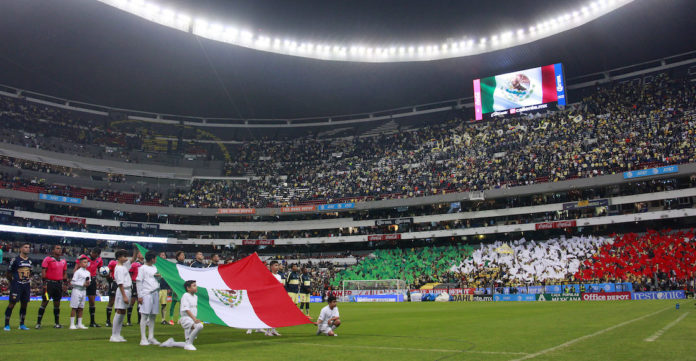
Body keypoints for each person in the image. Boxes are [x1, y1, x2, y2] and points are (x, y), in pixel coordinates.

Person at [160, 280, 203, 351]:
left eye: (196, 285)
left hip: (192, 319)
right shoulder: (185, 295)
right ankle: (189, 344)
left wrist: (195, 319)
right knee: (199, 326)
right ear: (188, 288)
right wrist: (195, 320)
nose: (196, 287)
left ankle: (171, 343)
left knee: (187, 341)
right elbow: (186, 309)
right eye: (194, 286)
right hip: (186, 319)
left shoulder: (195, 297)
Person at [36, 244, 67, 329]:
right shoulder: (48, 259)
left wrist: (65, 284)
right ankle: (38, 323)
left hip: (58, 284)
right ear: (53, 250)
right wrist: (44, 283)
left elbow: (64, 273)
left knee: (57, 303)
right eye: (57, 248)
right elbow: (43, 272)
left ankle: (57, 323)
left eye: (60, 248)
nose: (59, 250)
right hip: (49, 284)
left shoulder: (63, 261)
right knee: (45, 302)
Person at [4, 243, 32, 331]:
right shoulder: (15, 260)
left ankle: (22, 324)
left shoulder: (30, 261)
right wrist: (12, 282)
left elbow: (30, 272)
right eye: (26, 247)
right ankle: (6, 325)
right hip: (17, 285)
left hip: (26, 285)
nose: (28, 249)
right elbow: (8, 273)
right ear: (21, 249)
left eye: (28, 247)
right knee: (12, 303)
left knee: (24, 304)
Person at [136, 251, 160, 346]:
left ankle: (151, 337)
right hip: (146, 293)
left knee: (153, 316)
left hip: (155, 292)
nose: (156, 260)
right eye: (155, 258)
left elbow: (155, 279)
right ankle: (143, 338)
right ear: (152, 259)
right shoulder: (142, 268)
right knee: (144, 316)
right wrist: (140, 296)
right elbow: (139, 282)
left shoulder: (155, 268)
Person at [76, 248, 103, 328]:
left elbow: (100, 270)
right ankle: (78, 321)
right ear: (92, 252)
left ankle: (92, 321)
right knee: (80, 301)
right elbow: (77, 267)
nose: (96, 256)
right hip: (83, 280)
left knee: (92, 301)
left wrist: (104, 273)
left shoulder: (99, 260)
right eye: (95, 254)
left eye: (97, 255)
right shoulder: (84, 257)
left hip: (93, 280)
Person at [110, 249, 133, 342]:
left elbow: (133, 259)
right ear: (119, 257)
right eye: (124, 256)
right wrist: (124, 295)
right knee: (119, 311)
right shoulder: (119, 268)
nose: (126, 258)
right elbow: (120, 283)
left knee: (123, 312)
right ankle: (113, 335)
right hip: (122, 290)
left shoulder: (123, 266)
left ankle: (118, 334)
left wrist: (135, 250)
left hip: (127, 289)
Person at [69, 255, 91, 330]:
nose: (86, 264)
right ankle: (72, 324)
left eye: (87, 262)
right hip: (77, 290)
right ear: (80, 263)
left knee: (81, 307)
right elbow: (72, 282)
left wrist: (88, 283)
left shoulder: (88, 272)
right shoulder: (77, 272)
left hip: (84, 291)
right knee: (74, 307)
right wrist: (82, 284)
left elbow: (89, 281)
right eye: (84, 262)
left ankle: (79, 324)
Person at [168, 251, 186, 325]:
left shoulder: (185, 266)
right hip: (176, 287)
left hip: (183, 287)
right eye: (181, 255)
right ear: (177, 257)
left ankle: (179, 318)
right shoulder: (175, 266)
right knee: (173, 303)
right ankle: (171, 319)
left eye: (184, 255)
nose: (183, 256)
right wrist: (173, 287)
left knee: (182, 304)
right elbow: (173, 277)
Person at [127, 252, 144, 326]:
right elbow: (130, 273)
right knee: (132, 302)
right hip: (134, 284)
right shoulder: (134, 264)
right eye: (140, 253)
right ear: (138, 255)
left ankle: (139, 320)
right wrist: (131, 283)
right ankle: (128, 320)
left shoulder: (144, 265)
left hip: (142, 284)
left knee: (140, 303)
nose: (142, 254)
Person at [158, 252, 171, 325]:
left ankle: (163, 319)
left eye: (164, 255)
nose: (163, 256)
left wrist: (168, 287)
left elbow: (168, 278)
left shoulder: (166, 266)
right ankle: (148, 319)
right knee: (153, 304)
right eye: (162, 255)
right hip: (156, 288)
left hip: (164, 288)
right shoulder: (156, 265)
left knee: (164, 304)